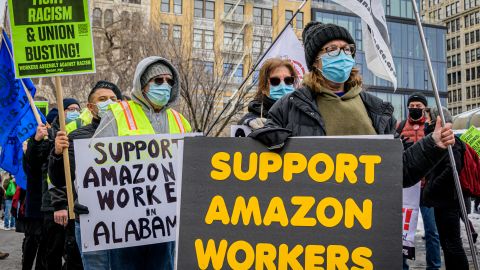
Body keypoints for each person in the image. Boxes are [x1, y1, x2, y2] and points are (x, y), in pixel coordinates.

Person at [250, 21, 455, 188]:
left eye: (347, 49)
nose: (342, 54)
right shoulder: (289, 106)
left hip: (364, 225)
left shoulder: (377, 110)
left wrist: (433, 144)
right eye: (331, 49)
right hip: (309, 223)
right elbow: (263, 161)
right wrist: (264, 134)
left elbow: (401, 171)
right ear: (315, 61)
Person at [92, 56, 191, 269]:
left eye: (169, 81)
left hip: (165, 224)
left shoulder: (180, 121)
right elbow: (94, 162)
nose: (164, 86)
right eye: (158, 81)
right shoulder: (118, 113)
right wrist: (87, 197)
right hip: (125, 224)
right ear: (143, 84)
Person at [49, 81, 123, 270]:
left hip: (126, 221)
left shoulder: (131, 135)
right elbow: (59, 179)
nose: (110, 103)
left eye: (114, 99)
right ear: (91, 107)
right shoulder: (77, 137)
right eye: (103, 99)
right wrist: (57, 154)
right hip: (91, 220)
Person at [27, 100, 82, 269]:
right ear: (61, 113)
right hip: (53, 205)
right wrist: (36, 141)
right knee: (52, 252)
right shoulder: (50, 134)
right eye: (69, 109)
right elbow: (34, 162)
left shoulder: (83, 131)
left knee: (75, 253)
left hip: (78, 204)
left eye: (77, 109)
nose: (74, 112)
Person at [398, 93, 441, 270]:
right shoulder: (399, 126)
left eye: (418, 106)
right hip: (407, 191)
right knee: (402, 234)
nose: (415, 108)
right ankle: (402, 266)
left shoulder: (431, 127)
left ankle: (434, 266)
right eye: (412, 106)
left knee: (432, 232)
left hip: (427, 188)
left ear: (425, 108)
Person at [422, 107, 468, 270]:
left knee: (452, 244)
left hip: (449, 201)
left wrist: (431, 187)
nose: (426, 122)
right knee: (447, 244)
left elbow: (452, 169)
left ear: (437, 121)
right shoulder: (441, 142)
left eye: (428, 119)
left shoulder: (451, 143)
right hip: (443, 201)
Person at [239, 58, 298, 130]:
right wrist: (246, 127)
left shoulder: (302, 115)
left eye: (288, 80)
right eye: (275, 81)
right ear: (264, 88)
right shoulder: (252, 119)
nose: (283, 86)